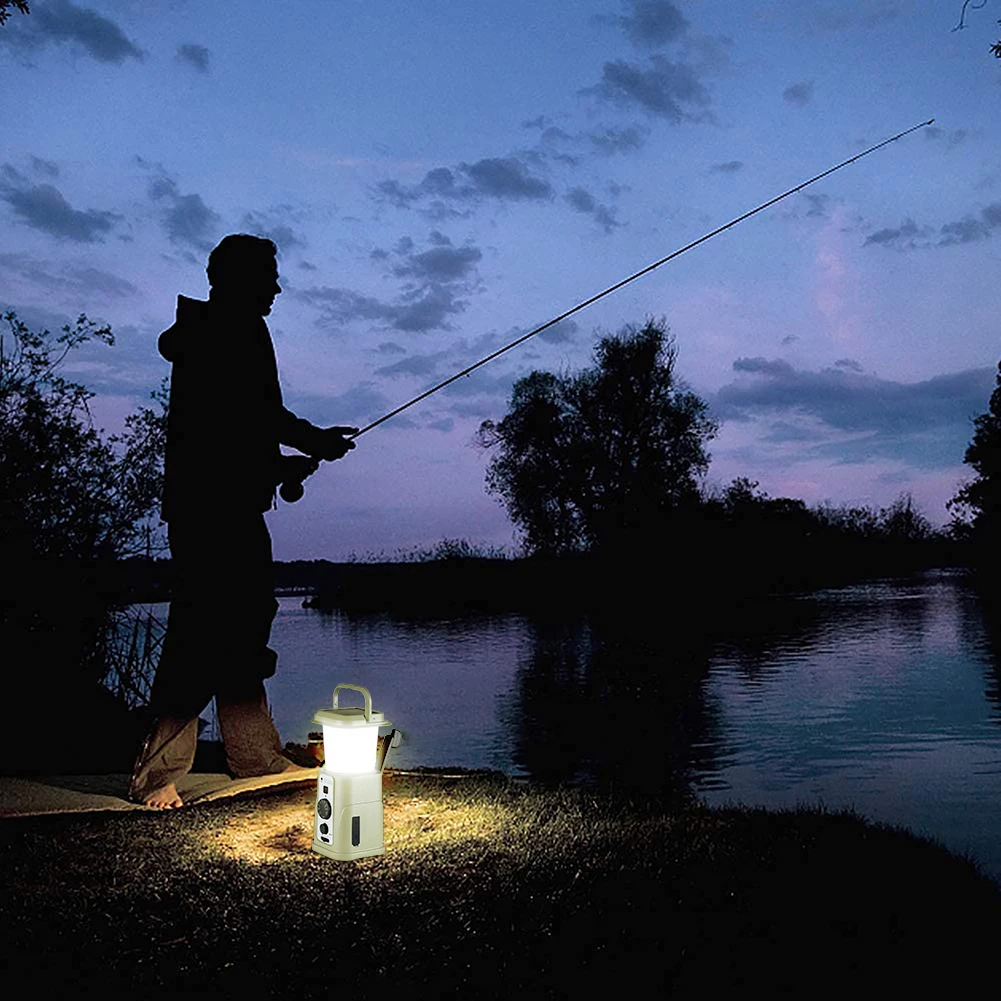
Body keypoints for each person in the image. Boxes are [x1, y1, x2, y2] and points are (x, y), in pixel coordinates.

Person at [129, 234, 356, 809]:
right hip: (210, 510)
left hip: (223, 503)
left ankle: (253, 755)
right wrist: (315, 441)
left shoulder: (221, 329)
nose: (277, 286)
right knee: (201, 627)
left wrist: (281, 463)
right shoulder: (232, 328)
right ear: (238, 277)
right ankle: (157, 775)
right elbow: (255, 415)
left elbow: (233, 429)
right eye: (269, 275)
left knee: (246, 620)